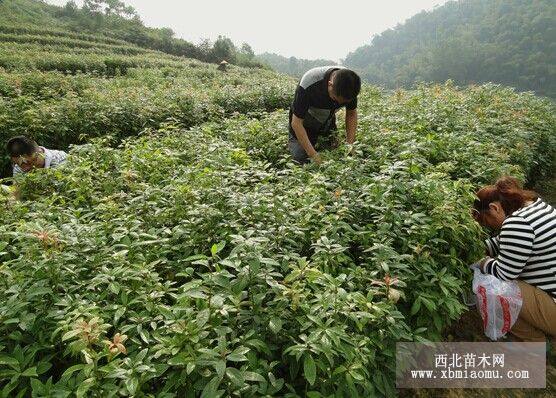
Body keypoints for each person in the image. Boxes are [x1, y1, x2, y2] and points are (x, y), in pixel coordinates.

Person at [472, 176, 556, 345]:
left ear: (494, 207)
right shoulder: (535, 207)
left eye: (485, 220)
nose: (488, 226)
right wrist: (475, 249)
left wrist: (480, 262)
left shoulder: (518, 223)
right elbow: (506, 241)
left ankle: (532, 342)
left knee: (493, 287)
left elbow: (504, 273)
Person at [289, 66, 361, 164]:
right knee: (300, 160)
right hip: (305, 121)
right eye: (336, 99)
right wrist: (313, 154)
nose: (338, 104)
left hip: (327, 120)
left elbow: (351, 113)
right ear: (329, 84)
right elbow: (296, 123)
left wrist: (350, 145)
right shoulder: (309, 83)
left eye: (343, 103)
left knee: (336, 155)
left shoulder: (351, 85)